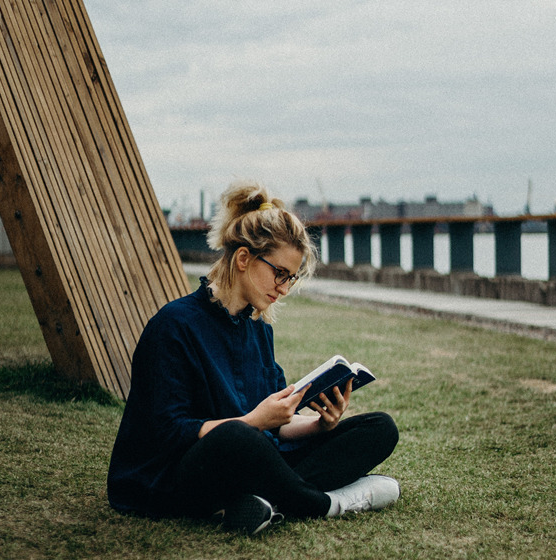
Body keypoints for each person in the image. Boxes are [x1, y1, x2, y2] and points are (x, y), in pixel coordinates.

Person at [107, 180, 400, 535]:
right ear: (244, 258)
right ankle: (328, 503)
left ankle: (263, 500)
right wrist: (253, 421)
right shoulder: (173, 326)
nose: (283, 288)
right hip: (173, 476)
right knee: (239, 437)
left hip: (252, 459)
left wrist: (320, 424)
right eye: (279, 273)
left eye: (290, 278)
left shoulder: (258, 328)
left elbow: (276, 423)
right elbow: (169, 434)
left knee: (379, 428)